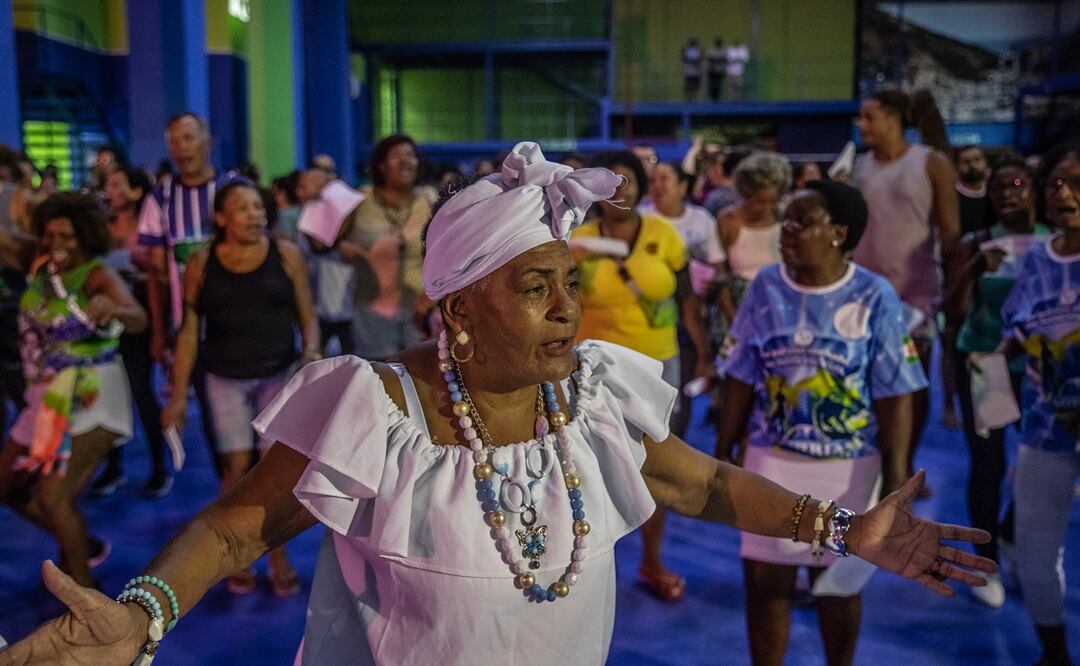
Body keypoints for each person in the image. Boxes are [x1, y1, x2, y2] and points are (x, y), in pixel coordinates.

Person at [0, 143, 996, 666]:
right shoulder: (379, 410)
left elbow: (701, 483)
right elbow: (229, 531)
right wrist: (144, 614)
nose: (570, 310)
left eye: (571, 281)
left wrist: (840, 529)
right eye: (536, 288)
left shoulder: (592, 402)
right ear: (460, 309)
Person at [716, 180, 927, 666]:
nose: (787, 230)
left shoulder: (875, 295)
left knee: (834, 587)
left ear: (838, 232)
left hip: (849, 465)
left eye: (802, 221)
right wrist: (726, 441)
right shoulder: (766, 286)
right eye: (786, 219)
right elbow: (741, 375)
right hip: (770, 459)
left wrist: (897, 477)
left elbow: (896, 392)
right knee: (766, 581)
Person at [572, 151, 728, 601]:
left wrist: (702, 355)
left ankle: (651, 558)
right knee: (589, 472)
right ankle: (591, 566)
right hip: (592, 372)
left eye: (628, 181)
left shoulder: (665, 235)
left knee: (656, 468)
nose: (620, 190)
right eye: (609, 182)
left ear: (641, 186)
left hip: (659, 369)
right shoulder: (577, 241)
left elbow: (686, 304)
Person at [161, 180, 318, 596]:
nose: (255, 214)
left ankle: (277, 554)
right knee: (234, 472)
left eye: (258, 206)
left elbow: (308, 315)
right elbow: (191, 332)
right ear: (221, 219)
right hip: (223, 378)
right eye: (243, 208)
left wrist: (312, 351)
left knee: (273, 470)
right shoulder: (201, 263)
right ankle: (239, 552)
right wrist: (178, 396)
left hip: (277, 375)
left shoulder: (286, 255)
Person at [0, 192, 147, 587]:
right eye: (51, 236)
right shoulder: (41, 265)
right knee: (5, 484)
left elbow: (139, 317)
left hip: (93, 391)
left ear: (86, 236)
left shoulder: (98, 274)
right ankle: (80, 541)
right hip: (46, 394)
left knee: (53, 496)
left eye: (68, 237)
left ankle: (85, 598)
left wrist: (114, 309)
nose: (58, 244)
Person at [944, 154, 1050, 608]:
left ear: (1035, 190)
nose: (1008, 194)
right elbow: (950, 309)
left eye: (1017, 184)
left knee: (1043, 465)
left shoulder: (1058, 241)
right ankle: (986, 563)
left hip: (1044, 370)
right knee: (988, 465)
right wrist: (973, 269)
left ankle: (1008, 532)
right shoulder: (979, 241)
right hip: (988, 366)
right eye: (998, 187)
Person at [853, 89, 961, 488]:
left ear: (895, 118)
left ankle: (905, 468)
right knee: (866, 382)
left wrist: (949, 291)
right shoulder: (859, 166)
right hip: (864, 294)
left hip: (915, 293)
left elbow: (950, 231)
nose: (861, 125)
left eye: (869, 117)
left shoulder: (931, 163)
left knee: (911, 384)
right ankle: (879, 464)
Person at [1000, 144, 1080, 666]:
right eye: (1054, 183)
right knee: (1032, 548)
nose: (1065, 192)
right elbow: (1012, 326)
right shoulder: (1035, 260)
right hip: (1047, 428)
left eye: (1075, 181)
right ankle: (1054, 654)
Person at [137, 112, 230, 470]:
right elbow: (158, 275)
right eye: (173, 141)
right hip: (189, 329)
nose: (181, 148)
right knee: (213, 418)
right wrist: (160, 331)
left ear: (207, 143)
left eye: (188, 138)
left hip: (236, 325)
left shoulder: (230, 190)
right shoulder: (159, 198)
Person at [91, 166, 173, 499]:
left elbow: (159, 278)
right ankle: (113, 466)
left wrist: (159, 331)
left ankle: (159, 466)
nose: (109, 190)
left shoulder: (150, 229)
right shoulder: (102, 229)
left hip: (139, 319)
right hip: (106, 324)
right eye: (108, 184)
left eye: (116, 184)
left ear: (136, 191)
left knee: (141, 393)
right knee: (110, 394)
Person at [639, 161, 733, 432]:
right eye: (653, 180)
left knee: (680, 385)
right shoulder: (642, 218)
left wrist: (707, 282)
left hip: (689, 315)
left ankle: (675, 444)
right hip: (650, 315)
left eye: (665, 179)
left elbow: (719, 268)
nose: (658, 186)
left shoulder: (701, 220)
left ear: (683, 186)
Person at [344, 134, 433, 360]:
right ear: (381, 166)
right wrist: (343, 248)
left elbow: (448, 250)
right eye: (397, 156)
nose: (406, 161)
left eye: (411, 155)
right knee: (378, 379)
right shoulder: (360, 200)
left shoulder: (430, 200)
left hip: (420, 310)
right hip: (371, 310)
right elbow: (327, 239)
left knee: (419, 375)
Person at [295, 165, 359, 357]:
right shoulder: (304, 221)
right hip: (319, 312)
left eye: (305, 186)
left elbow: (325, 244)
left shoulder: (350, 216)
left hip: (349, 312)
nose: (300, 192)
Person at [955, 145, 992, 237]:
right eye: (966, 162)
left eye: (977, 160)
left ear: (985, 162)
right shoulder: (951, 198)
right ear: (957, 167)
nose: (972, 166)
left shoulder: (994, 195)